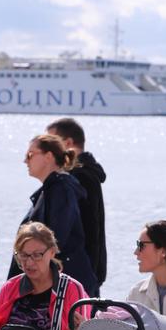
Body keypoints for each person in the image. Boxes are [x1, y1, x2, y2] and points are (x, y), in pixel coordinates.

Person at [9, 134, 98, 296]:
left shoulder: (61, 190)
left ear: (48, 156)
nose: (25, 161)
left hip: (63, 287)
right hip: (56, 284)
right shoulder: (52, 190)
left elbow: (56, 240)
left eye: (30, 155)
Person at [47, 117, 106, 292]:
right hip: (89, 269)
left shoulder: (77, 178)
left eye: (52, 142)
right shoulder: (85, 174)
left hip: (81, 272)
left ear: (68, 143)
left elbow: (87, 229)